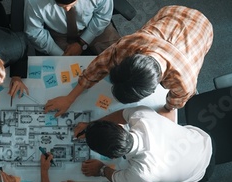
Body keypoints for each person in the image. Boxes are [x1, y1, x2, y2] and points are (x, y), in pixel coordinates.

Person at [44, 5, 214, 120]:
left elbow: (173, 104)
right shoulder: (132, 43)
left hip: (204, 30)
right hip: (171, 11)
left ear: (153, 89)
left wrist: (164, 111)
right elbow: (101, 65)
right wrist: (70, 97)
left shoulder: (185, 83)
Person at [74, 106, 214, 182]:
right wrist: (92, 125)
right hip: (203, 139)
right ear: (120, 126)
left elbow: (116, 178)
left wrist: (101, 169)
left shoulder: (141, 174)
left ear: (112, 157)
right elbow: (123, 114)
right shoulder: (142, 115)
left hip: (200, 172)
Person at [24, 0, 120, 56]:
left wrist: (82, 43)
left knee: (120, 56)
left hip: (94, 25)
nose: (67, 9)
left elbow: (103, 16)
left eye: (72, 4)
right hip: (59, 34)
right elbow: (35, 32)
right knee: (65, 73)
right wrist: (60, 55)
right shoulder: (33, 1)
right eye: (61, 6)